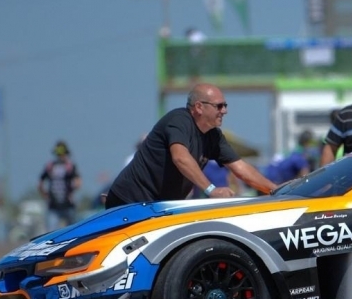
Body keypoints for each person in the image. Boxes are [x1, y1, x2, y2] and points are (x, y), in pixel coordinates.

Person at [105, 83, 277, 206]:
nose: (225, 111)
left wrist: (275, 190)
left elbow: (240, 167)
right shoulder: (179, 120)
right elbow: (180, 158)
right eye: (219, 106)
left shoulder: (214, 136)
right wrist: (212, 190)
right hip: (129, 201)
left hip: (157, 206)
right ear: (199, 107)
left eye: (225, 105)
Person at [38, 140, 83, 231]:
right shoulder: (50, 166)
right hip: (53, 206)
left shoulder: (70, 166)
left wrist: (72, 189)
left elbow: (78, 181)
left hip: (68, 205)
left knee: (73, 231)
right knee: (52, 232)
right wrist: (44, 194)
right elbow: (40, 182)